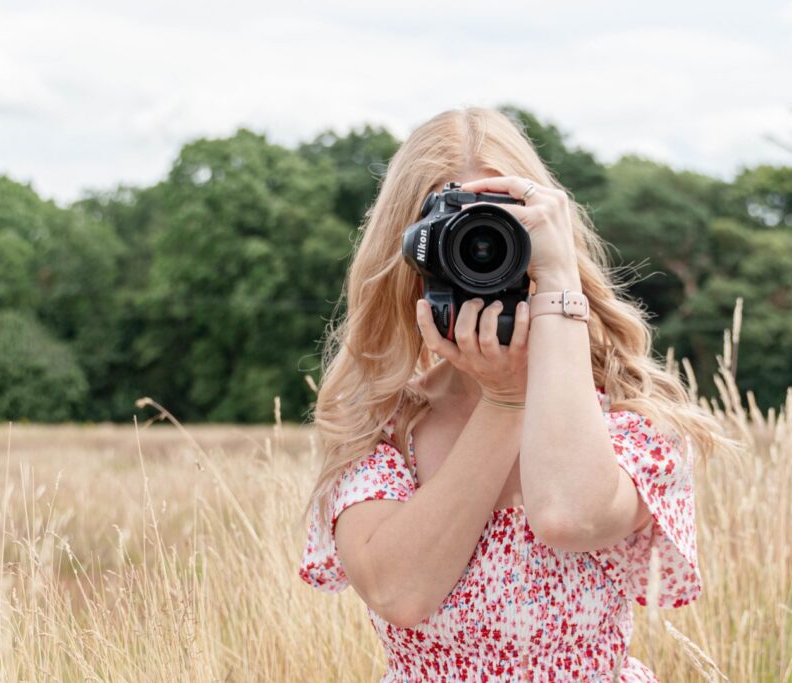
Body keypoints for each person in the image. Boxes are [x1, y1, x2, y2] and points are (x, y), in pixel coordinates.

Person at [298, 106, 735, 682]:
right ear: (411, 255)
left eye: (506, 233)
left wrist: (558, 286)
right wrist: (503, 402)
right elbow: (400, 592)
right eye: (458, 237)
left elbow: (569, 516)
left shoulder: (625, 414)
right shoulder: (384, 426)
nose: (483, 254)